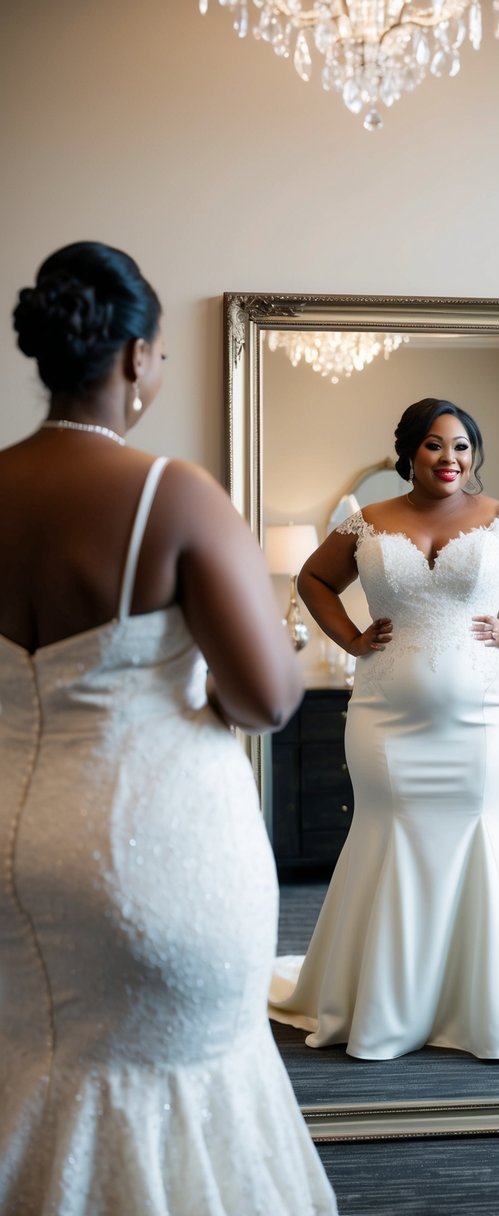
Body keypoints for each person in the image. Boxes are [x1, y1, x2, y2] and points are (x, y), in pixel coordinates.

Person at [0, 242, 337, 1215]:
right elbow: (271, 699)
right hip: (150, 856)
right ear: (138, 356)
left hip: (15, 860)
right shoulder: (171, 493)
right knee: (176, 1099)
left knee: (30, 1074)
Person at [269, 397, 499, 1060]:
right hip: (385, 715)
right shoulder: (366, 523)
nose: (449, 459)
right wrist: (349, 636)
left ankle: (484, 999)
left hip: (487, 714)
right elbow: (314, 580)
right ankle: (388, 999)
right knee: (388, 833)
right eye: (435, 446)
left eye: (461, 446)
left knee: (484, 831)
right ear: (409, 452)